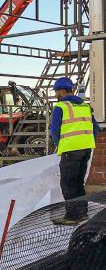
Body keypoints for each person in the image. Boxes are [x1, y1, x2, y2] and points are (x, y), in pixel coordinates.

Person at [50, 76, 100, 225]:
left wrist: (59, 144)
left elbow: (54, 130)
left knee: (68, 183)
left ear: (62, 90)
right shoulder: (85, 106)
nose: (55, 94)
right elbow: (95, 128)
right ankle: (82, 213)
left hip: (70, 150)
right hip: (86, 148)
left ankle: (72, 217)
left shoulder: (61, 107)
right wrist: (87, 140)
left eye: (56, 91)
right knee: (78, 182)